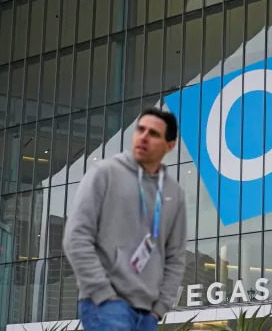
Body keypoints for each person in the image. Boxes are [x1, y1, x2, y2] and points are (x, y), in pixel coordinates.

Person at [63, 107, 187, 331]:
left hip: (147, 314)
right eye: (141, 129)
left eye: (154, 134)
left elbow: (175, 257)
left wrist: (160, 308)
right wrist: (103, 293)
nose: (144, 137)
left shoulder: (173, 193)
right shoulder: (104, 173)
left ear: (170, 146)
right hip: (107, 305)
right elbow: (76, 237)